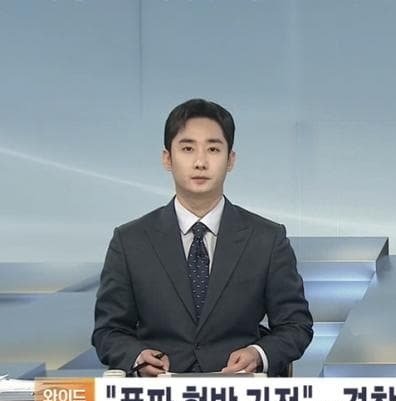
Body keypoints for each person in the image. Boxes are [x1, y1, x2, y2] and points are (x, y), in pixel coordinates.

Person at [92, 98, 313, 377]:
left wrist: (258, 354)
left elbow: (296, 326)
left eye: (213, 149)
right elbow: (109, 331)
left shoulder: (267, 239)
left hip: (239, 392)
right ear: (167, 158)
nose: (200, 162)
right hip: (159, 394)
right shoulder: (130, 241)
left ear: (230, 160)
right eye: (187, 149)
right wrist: (137, 358)